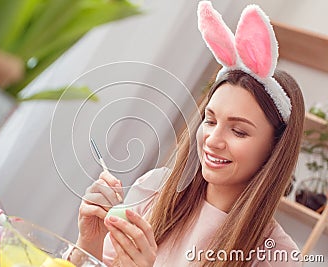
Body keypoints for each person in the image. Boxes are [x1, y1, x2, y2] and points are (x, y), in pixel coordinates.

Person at [76, 1, 305, 266]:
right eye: (210, 120)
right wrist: (88, 244)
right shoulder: (154, 188)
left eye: (239, 131)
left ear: (275, 147)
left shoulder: (278, 257)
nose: (213, 140)